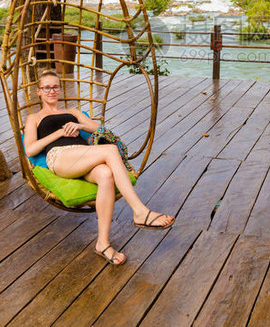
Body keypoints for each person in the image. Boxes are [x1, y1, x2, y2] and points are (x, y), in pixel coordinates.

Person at [23, 70, 174, 266]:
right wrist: (59, 132)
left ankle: (102, 243)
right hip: (59, 157)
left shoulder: (74, 112)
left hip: (82, 153)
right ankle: (140, 211)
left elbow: (100, 130)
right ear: (39, 91)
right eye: (46, 88)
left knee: (106, 174)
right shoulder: (34, 118)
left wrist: (80, 126)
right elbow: (31, 149)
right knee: (110, 150)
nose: (51, 91)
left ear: (60, 89)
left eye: (55, 87)